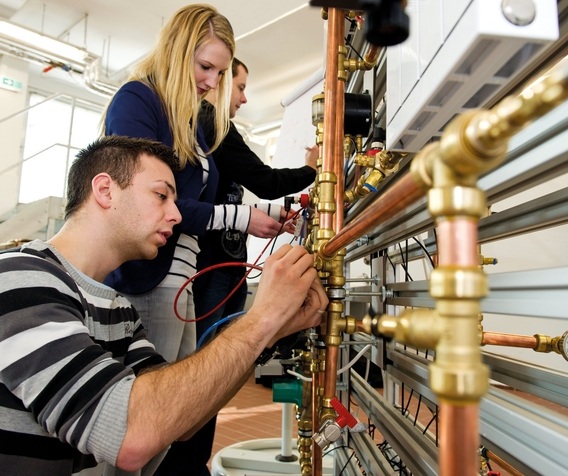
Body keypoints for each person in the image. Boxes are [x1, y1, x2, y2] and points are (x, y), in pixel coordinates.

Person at [0, 135, 327, 476]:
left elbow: (180, 422)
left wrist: (271, 332)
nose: (175, 213)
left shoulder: (118, 310)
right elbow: (129, 434)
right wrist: (261, 320)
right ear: (105, 190)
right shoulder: (20, 276)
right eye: (161, 195)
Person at [101, 4, 292, 367]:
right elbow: (149, 203)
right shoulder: (138, 100)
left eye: (220, 73)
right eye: (205, 67)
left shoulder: (188, 120)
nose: (212, 82)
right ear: (176, 50)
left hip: (181, 274)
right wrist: (242, 218)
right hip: (149, 276)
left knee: (181, 394)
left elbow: (198, 198)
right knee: (159, 401)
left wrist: (266, 213)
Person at [169, 58, 318, 476]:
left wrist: (267, 214)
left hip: (221, 267)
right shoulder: (210, 121)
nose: (243, 96)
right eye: (239, 86)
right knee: (207, 371)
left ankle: (189, 460)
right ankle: (185, 462)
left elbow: (234, 200)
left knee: (208, 372)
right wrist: (312, 167)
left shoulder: (209, 131)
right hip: (212, 270)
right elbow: (264, 179)